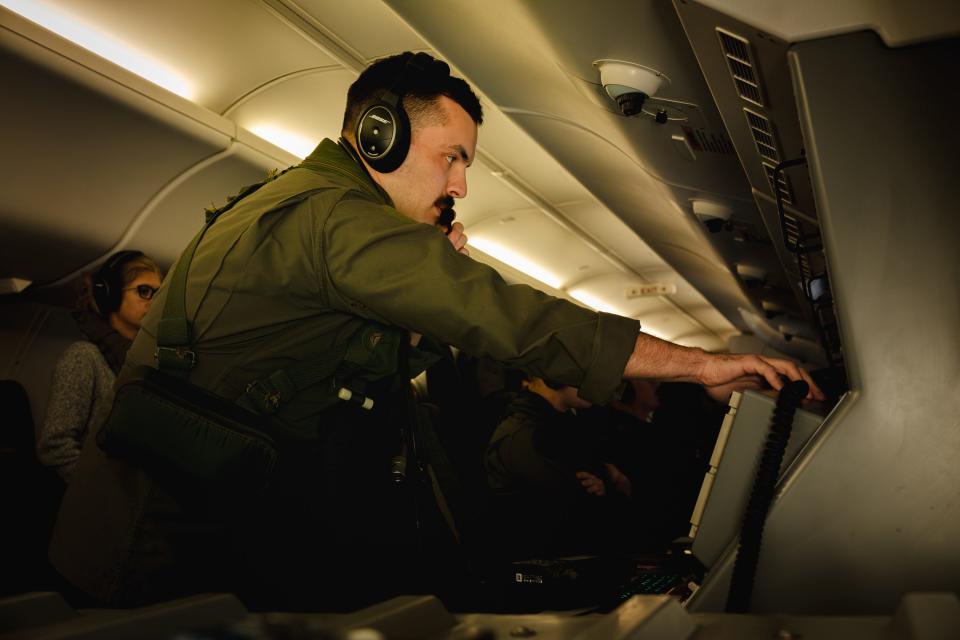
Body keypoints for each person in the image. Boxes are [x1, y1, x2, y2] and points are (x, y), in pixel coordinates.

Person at [50, 51, 822, 611]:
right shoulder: (335, 217)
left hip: (188, 528)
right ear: (379, 136)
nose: (458, 184)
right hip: (150, 547)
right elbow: (503, 314)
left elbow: (344, 361)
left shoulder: (313, 205)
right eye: (453, 158)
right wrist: (698, 365)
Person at [37, 251, 162, 482]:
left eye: (159, 293)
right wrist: (104, 494)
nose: (155, 301)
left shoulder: (146, 363)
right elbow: (55, 448)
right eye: (144, 291)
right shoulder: (84, 357)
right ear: (111, 296)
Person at [484, 376, 634, 557]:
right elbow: (572, 514)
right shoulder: (527, 434)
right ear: (556, 377)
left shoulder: (563, 423)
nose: (599, 384)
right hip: (546, 567)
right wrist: (612, 489)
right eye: (586, 373)